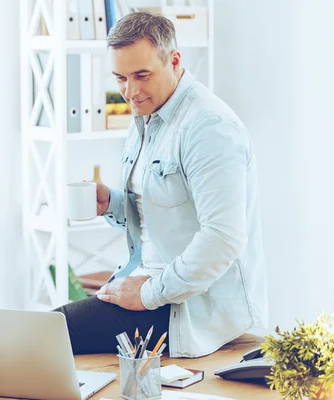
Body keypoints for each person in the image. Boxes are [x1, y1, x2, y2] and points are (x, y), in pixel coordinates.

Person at [54, 12, 268, 358]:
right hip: (152, 285)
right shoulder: (146, 115)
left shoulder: (208, 127)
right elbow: (161, 207)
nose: (131, 92)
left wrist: (148, 293)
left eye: (142, 75)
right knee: (46, 338)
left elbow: (223, 238)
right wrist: (111, 202)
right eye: (121, 78)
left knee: (51, 332)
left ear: (174, 60)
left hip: (191, 308)